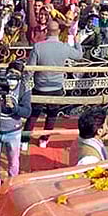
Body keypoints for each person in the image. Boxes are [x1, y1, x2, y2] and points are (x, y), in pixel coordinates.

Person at [25, 20, 83, 148]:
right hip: (56, 87)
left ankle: (24, 139)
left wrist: (23, 83)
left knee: (33, 114)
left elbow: (30, 69)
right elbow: (79, 55)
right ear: (58, 32)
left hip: (39, 86)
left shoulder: (38, 47)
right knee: (52, 115)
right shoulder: (64, 47)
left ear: (46, 31)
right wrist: (77, 41)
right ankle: (44, 140)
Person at [0, 60, 32, 193]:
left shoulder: (24, 89)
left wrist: (15, 108)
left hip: (13, 131)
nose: (12, 78)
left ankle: (13, 181)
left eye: (16, 75)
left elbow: (27, 112)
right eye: (10, 73)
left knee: (13, 160)